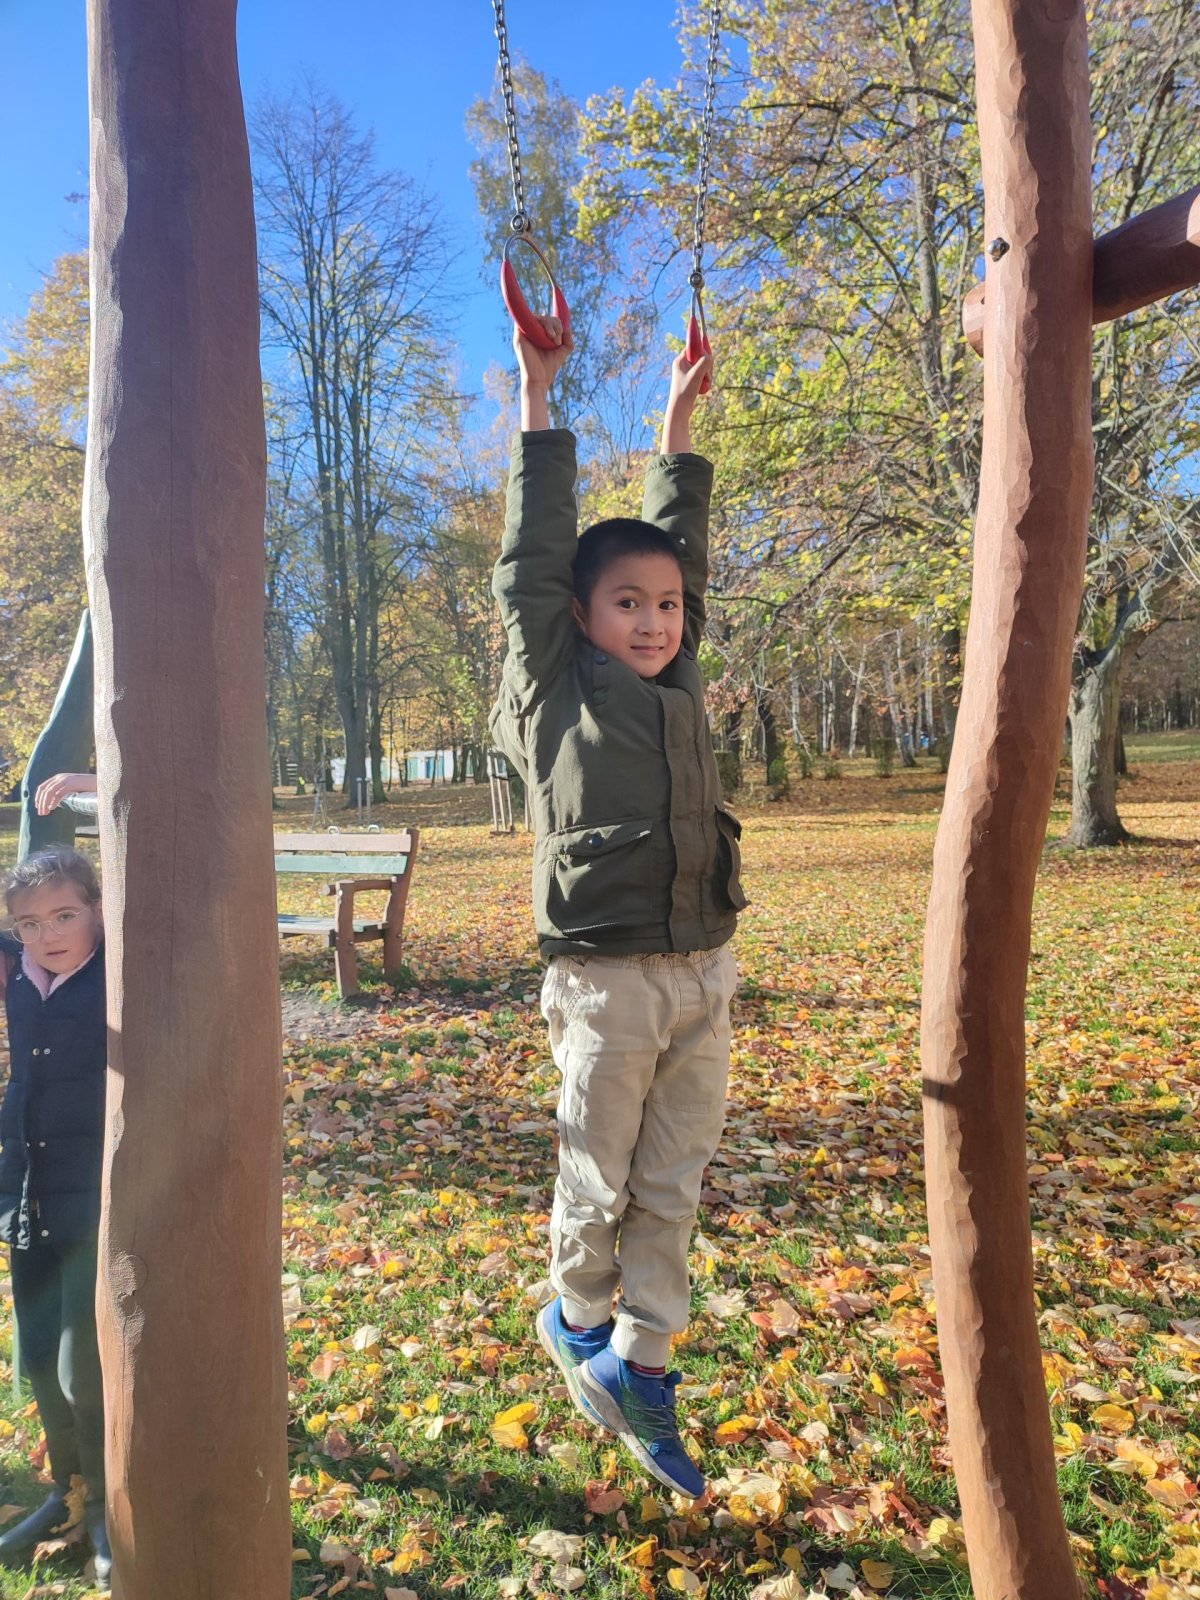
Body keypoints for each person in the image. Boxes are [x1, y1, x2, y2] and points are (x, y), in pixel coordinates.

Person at [489, 317, 746, 1499]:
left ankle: (644, 1364)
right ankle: (579, 1320)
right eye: (627, 604)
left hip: (703, 969)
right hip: (604, 980)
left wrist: (678, 419)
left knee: (674, 1177)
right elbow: (534, 559)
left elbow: (681, 541)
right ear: (582, 617)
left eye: (667, 605)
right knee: (600, 1179)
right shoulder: (556, 689)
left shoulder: (678, 678)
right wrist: (540, 401)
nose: (652, 621)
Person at [0, 848, 111, 1584]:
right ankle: (66, 1492)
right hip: (25, 1191)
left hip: (91, 1194)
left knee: (82, 1370)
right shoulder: (18, 973)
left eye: (65, 915)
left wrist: (87, 792)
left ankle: (106, 1503)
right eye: (30, 924)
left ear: (99, 911)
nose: (48, 935)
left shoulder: (116, 972)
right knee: (38, 1357)